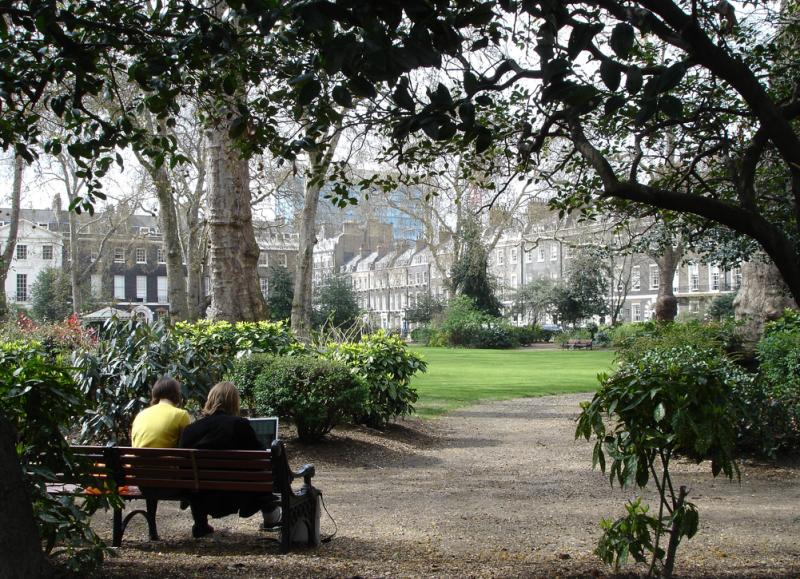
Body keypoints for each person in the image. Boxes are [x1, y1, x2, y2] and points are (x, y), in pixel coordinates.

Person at [179, 381, 278, 538]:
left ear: (210, 399)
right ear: (234, 402)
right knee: (262, 473)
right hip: (237, 495)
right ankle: (271, 518)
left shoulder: (190, 430)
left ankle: (200, 524)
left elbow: (183, 468)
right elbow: (261, 459)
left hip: (200, 495)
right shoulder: (239, 425)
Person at [131, 376, 191, 448]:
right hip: (165, 456)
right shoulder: (181, 414)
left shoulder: (140, 415)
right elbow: (188, 445)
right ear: (177, 394)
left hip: (136, 456)